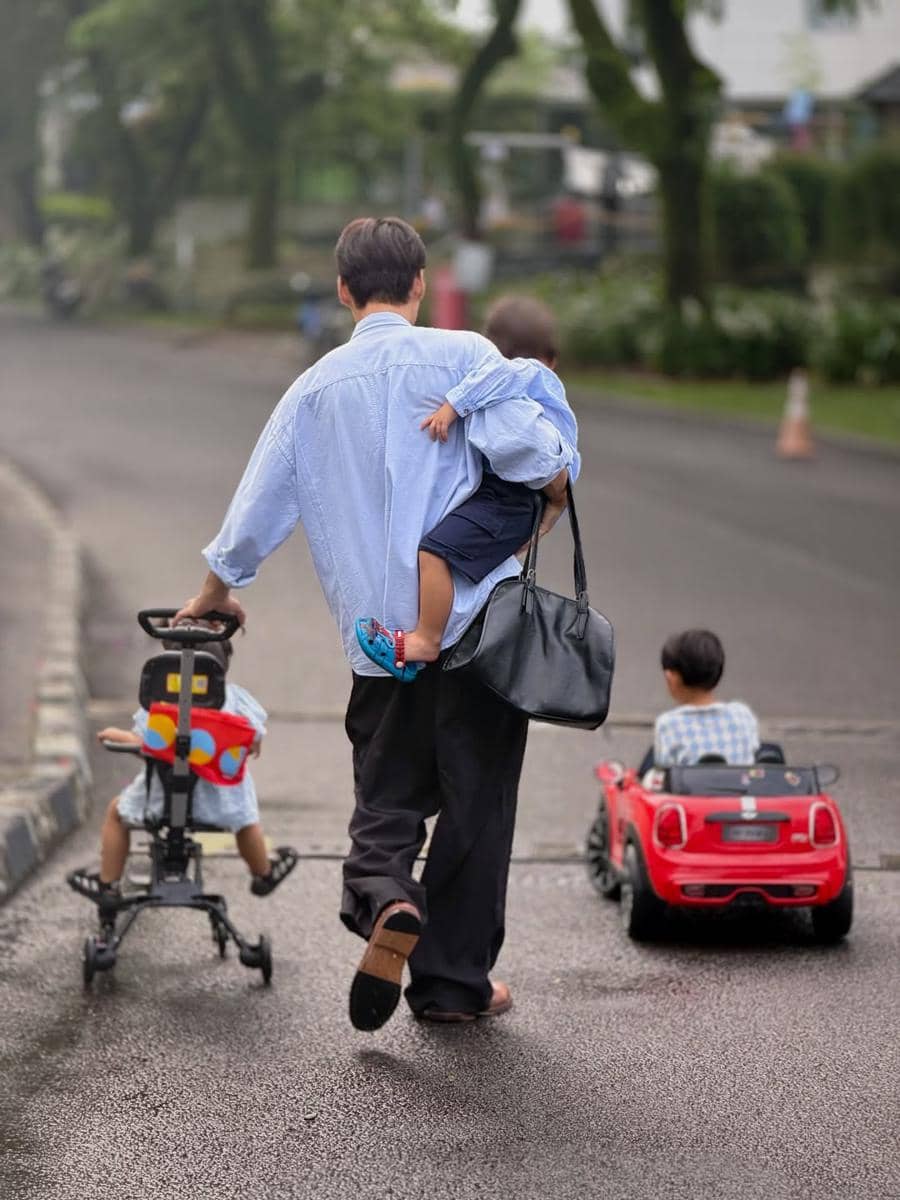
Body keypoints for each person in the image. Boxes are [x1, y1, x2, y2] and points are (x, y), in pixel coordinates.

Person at [175, 216, 578, 1030]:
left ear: (344, 291)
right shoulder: (469, 360)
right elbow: (538, 463)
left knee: (388, 798)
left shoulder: (314, 388)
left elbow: (256, 508)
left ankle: (388, 894)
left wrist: (217, 591)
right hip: (480, 632)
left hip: (381, 648)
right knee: (477, 807)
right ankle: (452, 986)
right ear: (421, 284)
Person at [356, 294, 576, 677]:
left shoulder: (517, 381)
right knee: (445, 553)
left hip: (510, 501)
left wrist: (452, 407)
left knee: (433, 553)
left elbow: (540, 457)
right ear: (553, 357)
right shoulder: (535, 392)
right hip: (510, 499)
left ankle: (426, 638)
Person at [69, 621, 298, 906]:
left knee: (117, 813)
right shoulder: (235, 700)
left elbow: (144, 744)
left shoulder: (159, 707)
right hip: (221, 803)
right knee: (246, 821)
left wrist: (116, 736)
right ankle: (262, 873)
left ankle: (108, 884)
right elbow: (253, 738)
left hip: (161, 802)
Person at [651, 629, 759, 768]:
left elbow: (664, 773)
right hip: (741, 788)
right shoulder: (743, 715)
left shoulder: (668, 725)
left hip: (692, 789)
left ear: (671, 677)